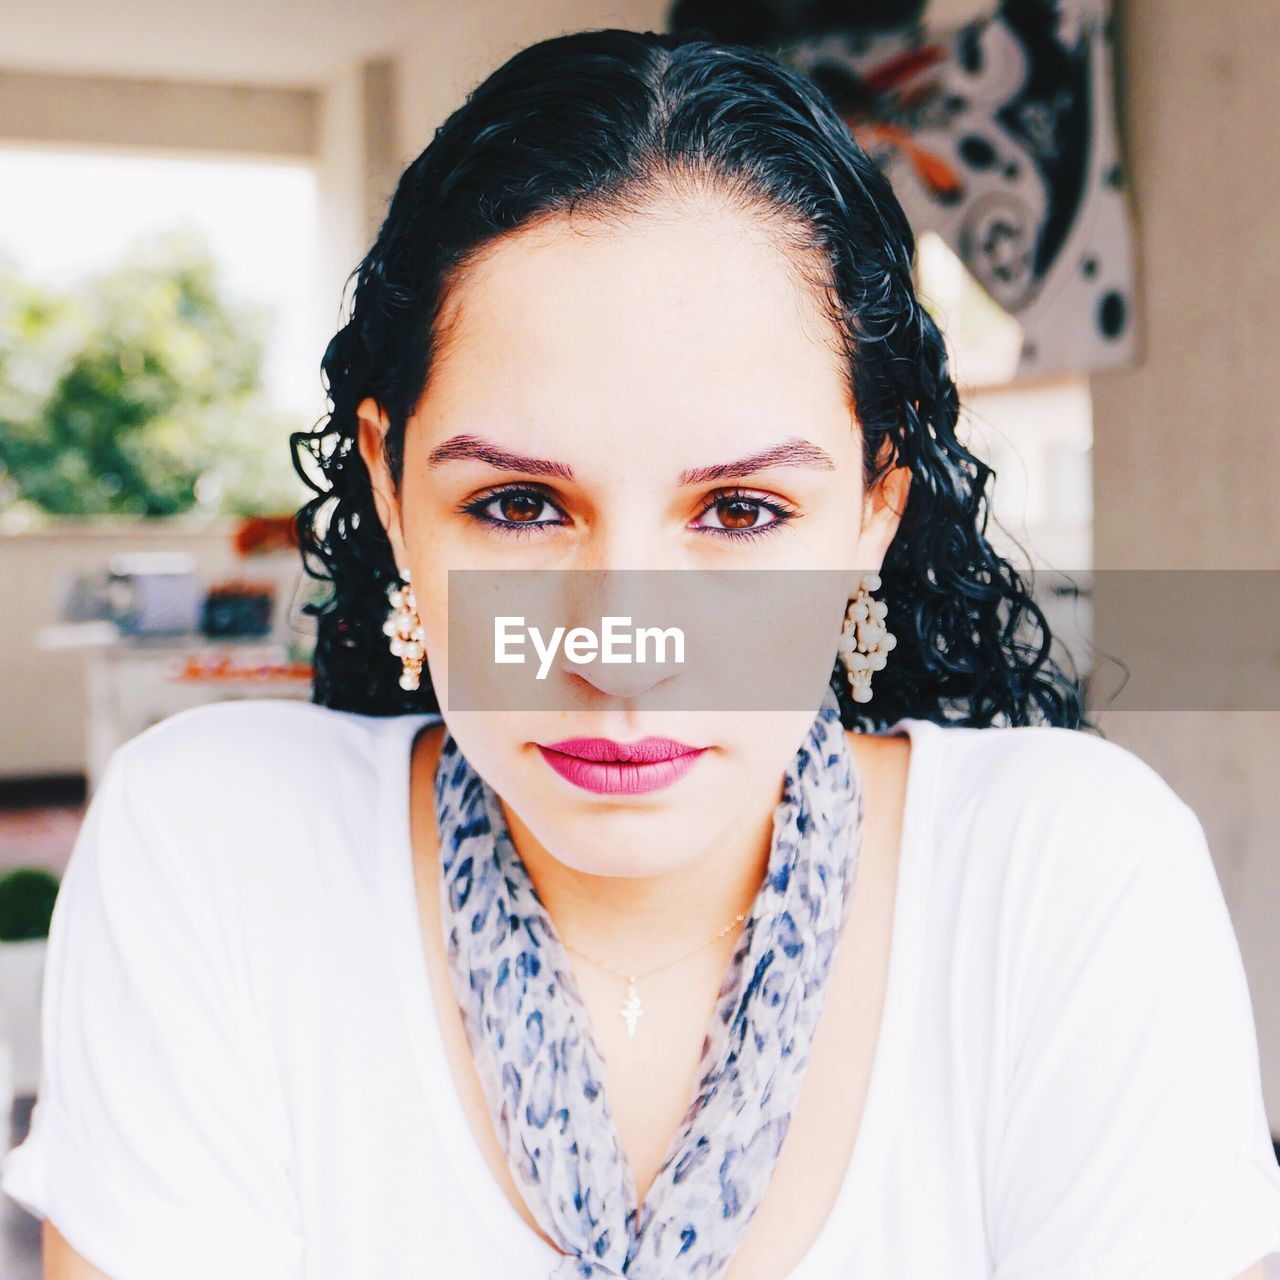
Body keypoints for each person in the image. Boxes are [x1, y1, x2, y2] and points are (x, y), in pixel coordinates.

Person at [5, 26, 1279, 1280]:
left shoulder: (1063, 882)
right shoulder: (219, 850)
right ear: (394, 497)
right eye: (518, 505)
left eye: (737, 512)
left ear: (872, 512)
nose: (619, 652)